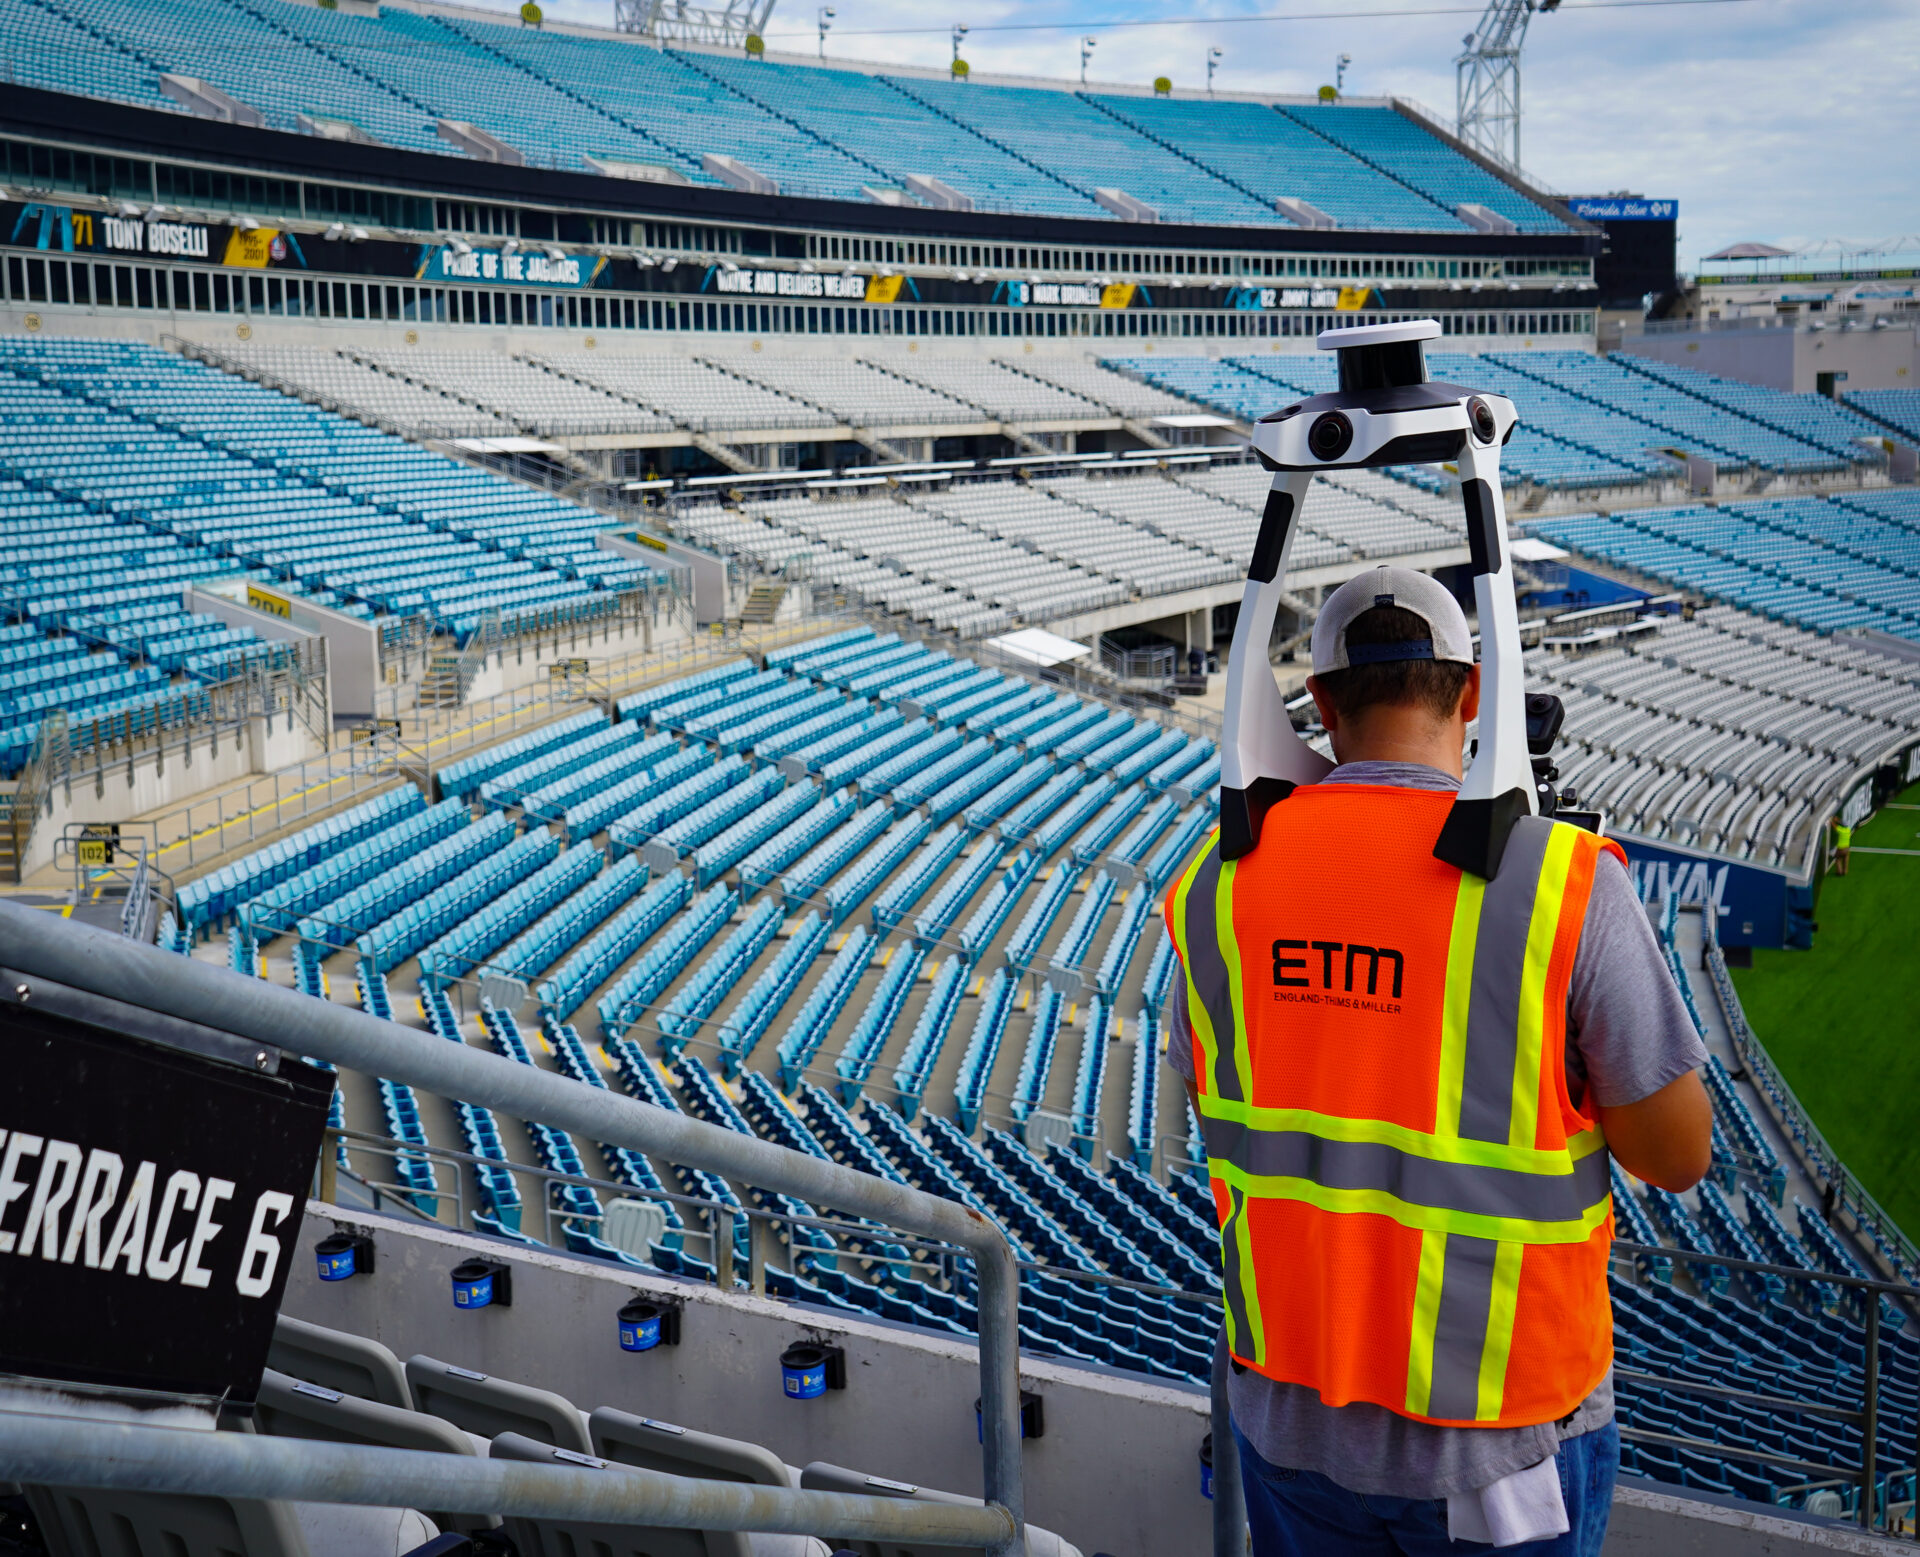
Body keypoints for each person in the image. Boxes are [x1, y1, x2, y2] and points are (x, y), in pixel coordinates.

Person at [1163, 566, 1713, 1557]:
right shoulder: (1560, 883)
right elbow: (1677, 1154)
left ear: (1320, 703)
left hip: (1288, 1417)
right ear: (1470, 694)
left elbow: (1221, 1091)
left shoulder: (1214, 888)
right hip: (1497, 1440)